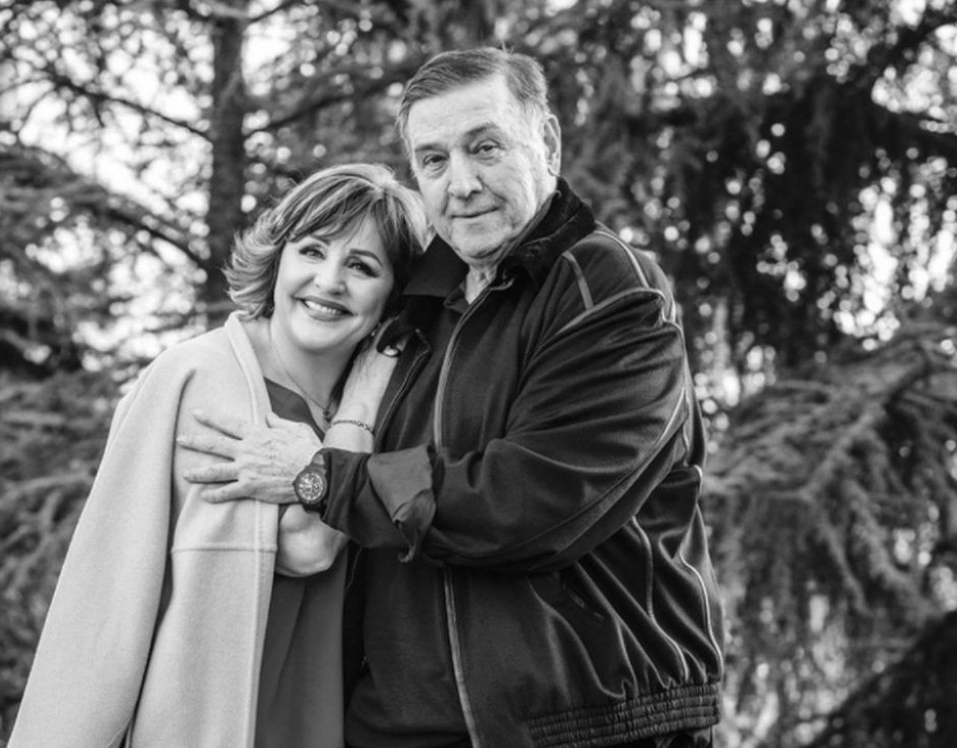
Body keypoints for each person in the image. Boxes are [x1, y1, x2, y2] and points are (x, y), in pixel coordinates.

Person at [181, 48, 724, 748]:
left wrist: (319, 477)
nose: (461, 184)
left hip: (583, 728)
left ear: (547, 142)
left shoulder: (611, 294)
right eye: (433, 160)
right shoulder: (409, 309)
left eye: (485, 147)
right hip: (393, 729)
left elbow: (527, 507)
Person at [7, 163, 426, 748]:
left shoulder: (396, 413)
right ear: (278, 261)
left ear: (392, 297)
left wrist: (355, 412)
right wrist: (357, 411)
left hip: (330, 723)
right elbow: (305, 548)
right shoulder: (197, 379)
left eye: (362, 266)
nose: (329, 280)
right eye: (312, 251)